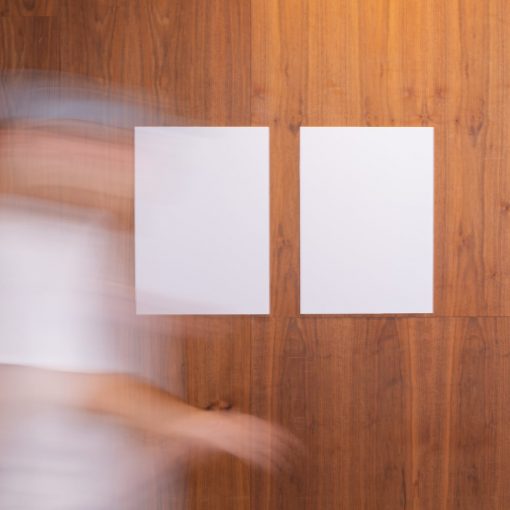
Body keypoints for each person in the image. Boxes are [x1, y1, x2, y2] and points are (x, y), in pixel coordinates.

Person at [0, 71, 295, 509]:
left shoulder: (87, 241)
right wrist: (189, 424)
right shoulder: (23, 242)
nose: (134, 171)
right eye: (113, 149)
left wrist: (171, 440)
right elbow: (69, 385)